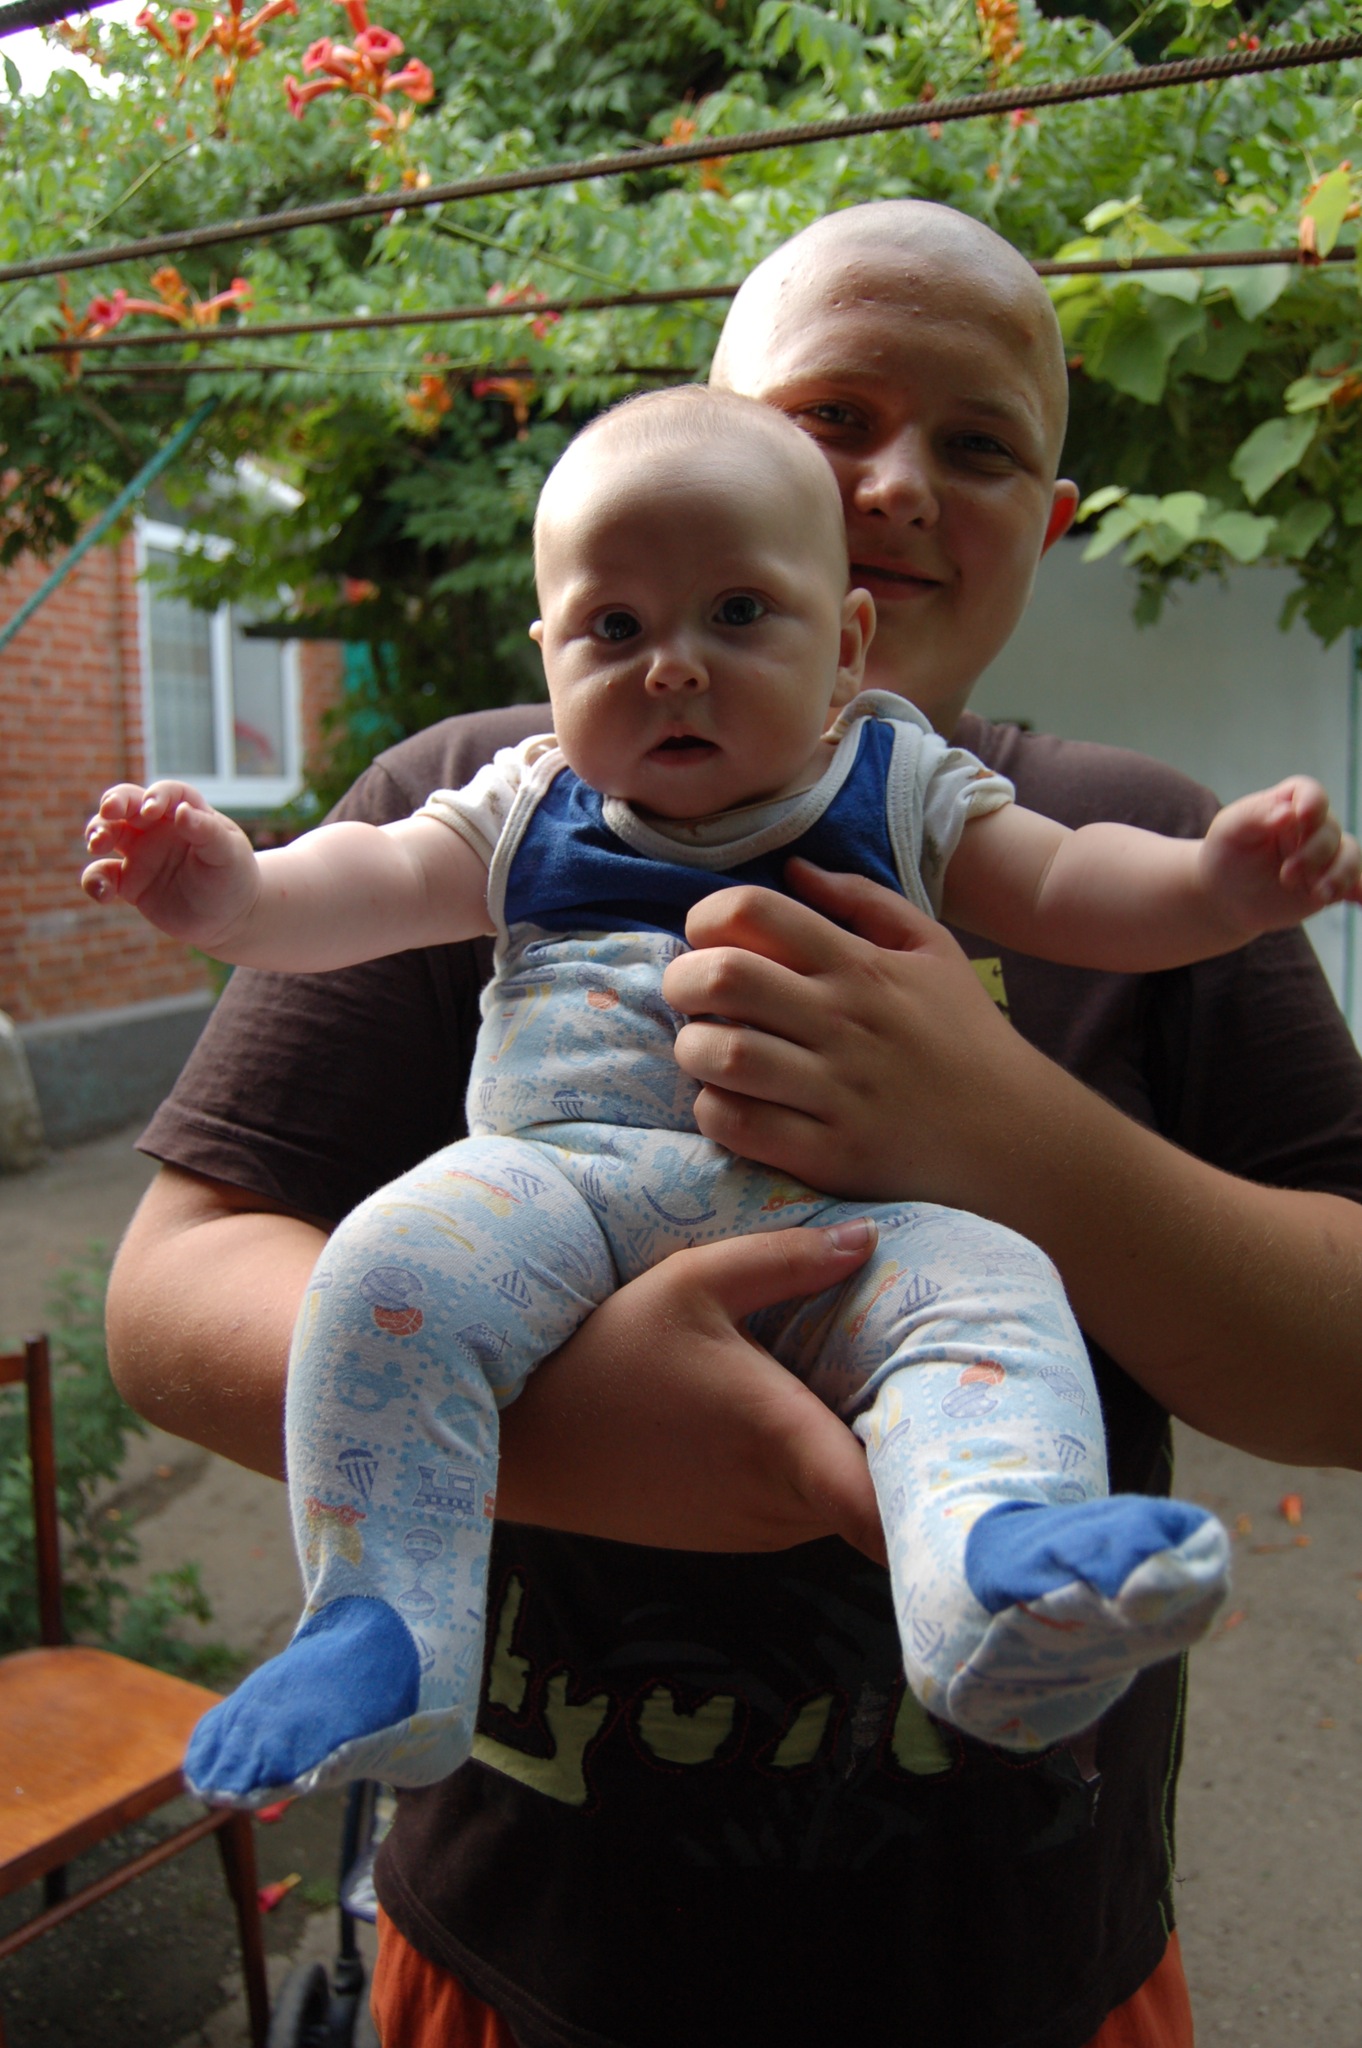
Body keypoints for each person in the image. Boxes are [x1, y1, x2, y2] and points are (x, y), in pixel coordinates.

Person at [101, 202, 1362, 2048]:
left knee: (991, 1302)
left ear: (1041, 528)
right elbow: (175, 1287)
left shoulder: (1037, 817)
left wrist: (1036, 1102)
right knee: (394, 1262)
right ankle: (379, 1628)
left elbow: (1337, 1353)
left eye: (977, 444)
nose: (895, 480)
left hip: (1023, 1964)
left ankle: (1001, 1582)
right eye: (829, 417)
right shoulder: (491, 792)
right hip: (520, 1944)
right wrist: (573, 1426)